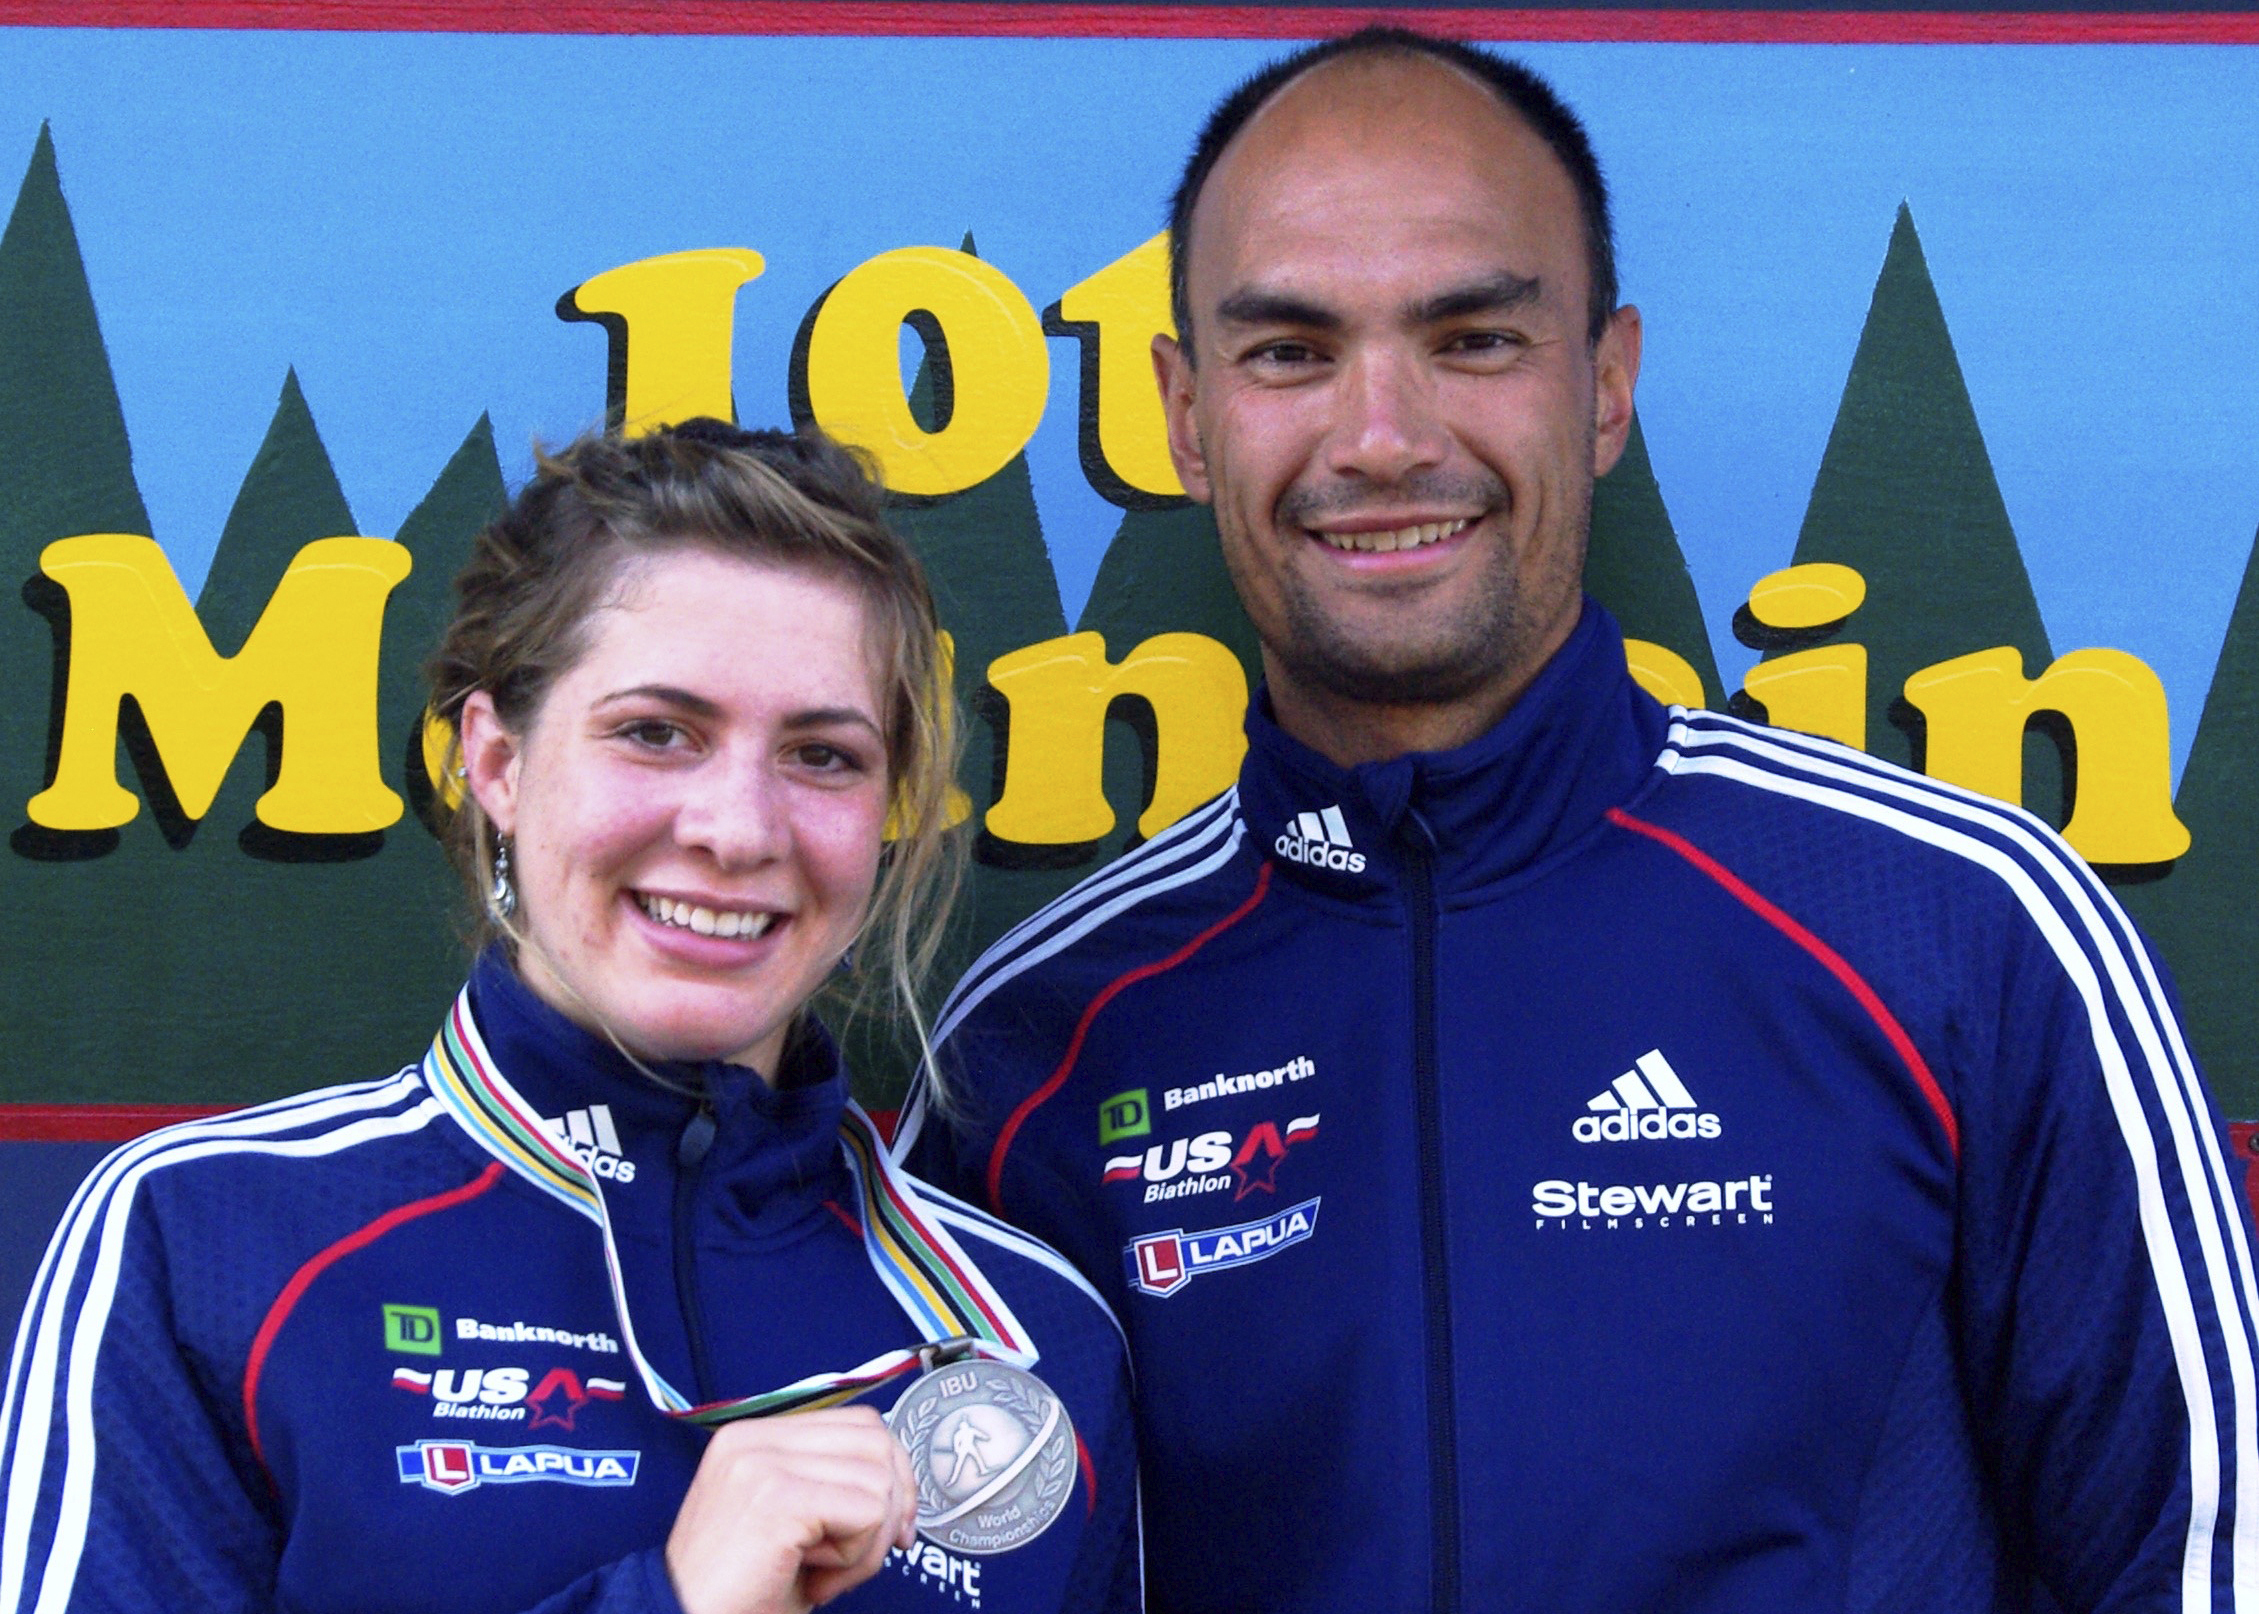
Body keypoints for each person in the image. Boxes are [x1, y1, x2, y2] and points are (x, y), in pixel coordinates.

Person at [895, 27, 2259, 1614]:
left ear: (1603, 385)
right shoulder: (1030, 1049)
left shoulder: (1956, 927)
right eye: (1286, 353)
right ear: (1185, 414)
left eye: (1470, 339)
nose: (1381, 436)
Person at [1, 421, 1139, 1614]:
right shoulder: (210, 1240)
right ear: (493, 761)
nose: (740, 829)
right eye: (656, 733)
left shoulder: (1035, 1338)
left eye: (822, 755)